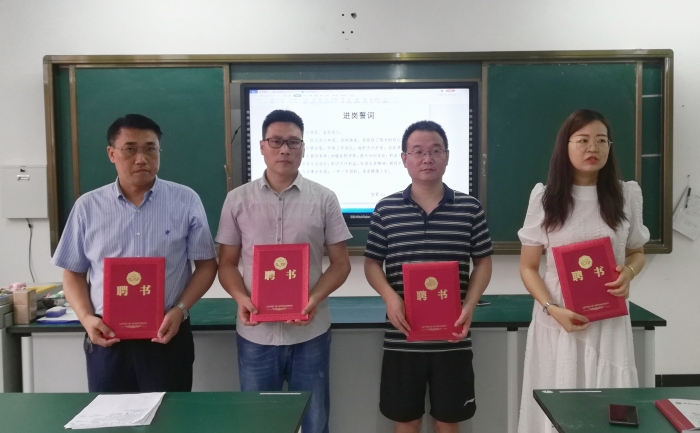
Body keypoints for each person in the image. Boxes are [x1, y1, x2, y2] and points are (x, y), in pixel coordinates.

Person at [51, 114, 218, 392]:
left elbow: (206, 266)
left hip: (167, 334)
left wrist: (180, 310)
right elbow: (73, 274)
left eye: (150, 149)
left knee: (171, 414)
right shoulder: (87, 207)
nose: (141, 159)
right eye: (130, 149)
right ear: (111, 154)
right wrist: (87, 319)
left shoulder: (186, 200)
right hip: (108, 338)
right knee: (109, 414)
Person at [216, 109, 352, 433]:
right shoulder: (237, 200)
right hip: (256, 336)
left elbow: (341, 263)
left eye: (293, 142)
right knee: (259, 424)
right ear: (262, 146)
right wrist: (241, 299)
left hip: (310, 333)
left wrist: (313, 299)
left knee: (315, 422)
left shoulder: (325, 199)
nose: (285, 149)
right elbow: (226, 264)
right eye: (276, 141)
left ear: (303, 148)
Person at [517, 109, 649, 432]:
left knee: (608, 406)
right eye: (583, 140)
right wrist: (552, 309)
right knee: (558, 400)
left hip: (609, 320)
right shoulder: (545, 198)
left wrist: (629, 273)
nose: (593, 148)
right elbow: (528, 267)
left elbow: (636, 253)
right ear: (565, 145)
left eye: (602, 141)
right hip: (558, 318)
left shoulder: (626, 195)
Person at [364, 120, 493, 433]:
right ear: (404, 158)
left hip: (453, 338)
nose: (427, 159)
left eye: (435, 151)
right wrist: (390, 297)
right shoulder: (386, 209)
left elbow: (483, 262)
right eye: (418, 151)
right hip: (403, 336)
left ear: (447, 156)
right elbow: (371, 264)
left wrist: (470, 305)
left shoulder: (470, 208)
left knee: (448, 420)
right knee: (406, 420)